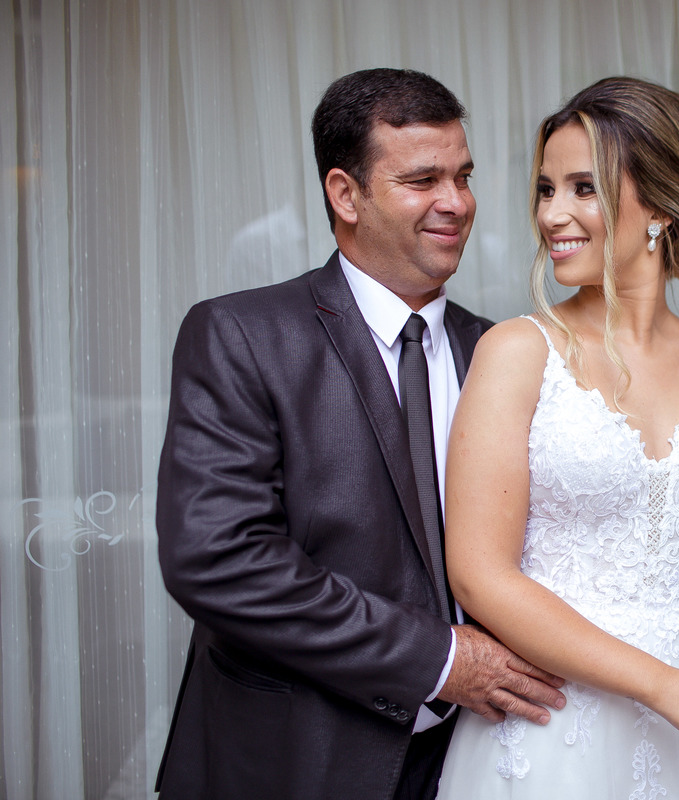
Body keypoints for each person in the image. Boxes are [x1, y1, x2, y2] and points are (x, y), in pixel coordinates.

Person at [155, 68, 566, 800]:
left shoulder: (504, 353)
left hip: (478, 761)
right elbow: (218, 558)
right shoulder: (240, 335)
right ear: (345, 194)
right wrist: (437, 660)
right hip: (292, 761)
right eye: (422, 180)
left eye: (463, 176)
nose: (458, 204)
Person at [436, 77, 679, 798]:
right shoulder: (518, 351)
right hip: (558, 717)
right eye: (545, 188)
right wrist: (662, 685)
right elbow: (480, 574)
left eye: (583, 188)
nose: (552, 214)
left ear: (658, 203)